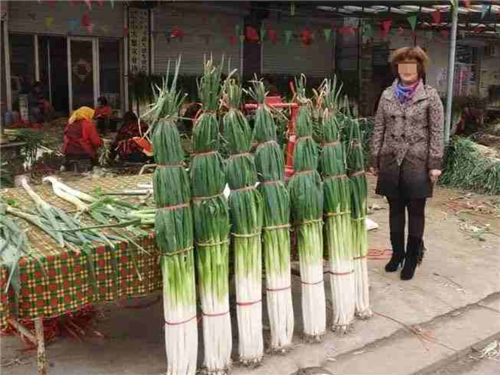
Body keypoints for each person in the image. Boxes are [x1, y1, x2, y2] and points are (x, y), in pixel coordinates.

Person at [369, 46, 444, 281]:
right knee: (394, 210)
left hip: (418, 161)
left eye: (412, 65)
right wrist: (375, 158)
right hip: (391, 160)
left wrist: (435, 163)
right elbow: (379, 128)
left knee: (415, 211)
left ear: (419, 69)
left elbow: (437, 132)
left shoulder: (430, 96)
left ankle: (412, 257)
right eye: (403, 65)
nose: (407, 70)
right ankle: (397, 254)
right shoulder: (386, 95)